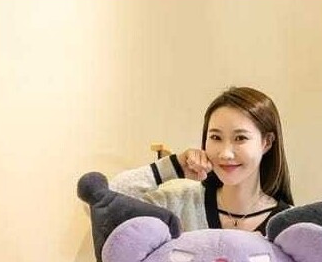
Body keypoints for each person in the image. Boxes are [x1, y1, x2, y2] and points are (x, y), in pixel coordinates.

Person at [110, 86, 294, 234]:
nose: (225, 154)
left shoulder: (288, 224)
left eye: (240, 138)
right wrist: (173, 166)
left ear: (266, 142)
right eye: (215, 137)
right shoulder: (180, 204)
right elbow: (109, 205)